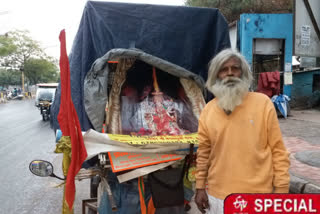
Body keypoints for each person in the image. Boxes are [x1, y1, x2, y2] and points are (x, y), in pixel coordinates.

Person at [195, 49, 290, 214]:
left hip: (258, 196)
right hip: (218, 196)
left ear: (243, 72)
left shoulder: (263, 104)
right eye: (224, 69)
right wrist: (200, 187)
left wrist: (281, 190)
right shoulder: (208, 110)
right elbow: (203, 153)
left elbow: (278, 150)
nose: (230, 73)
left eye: (235, 68)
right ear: (216, 75)